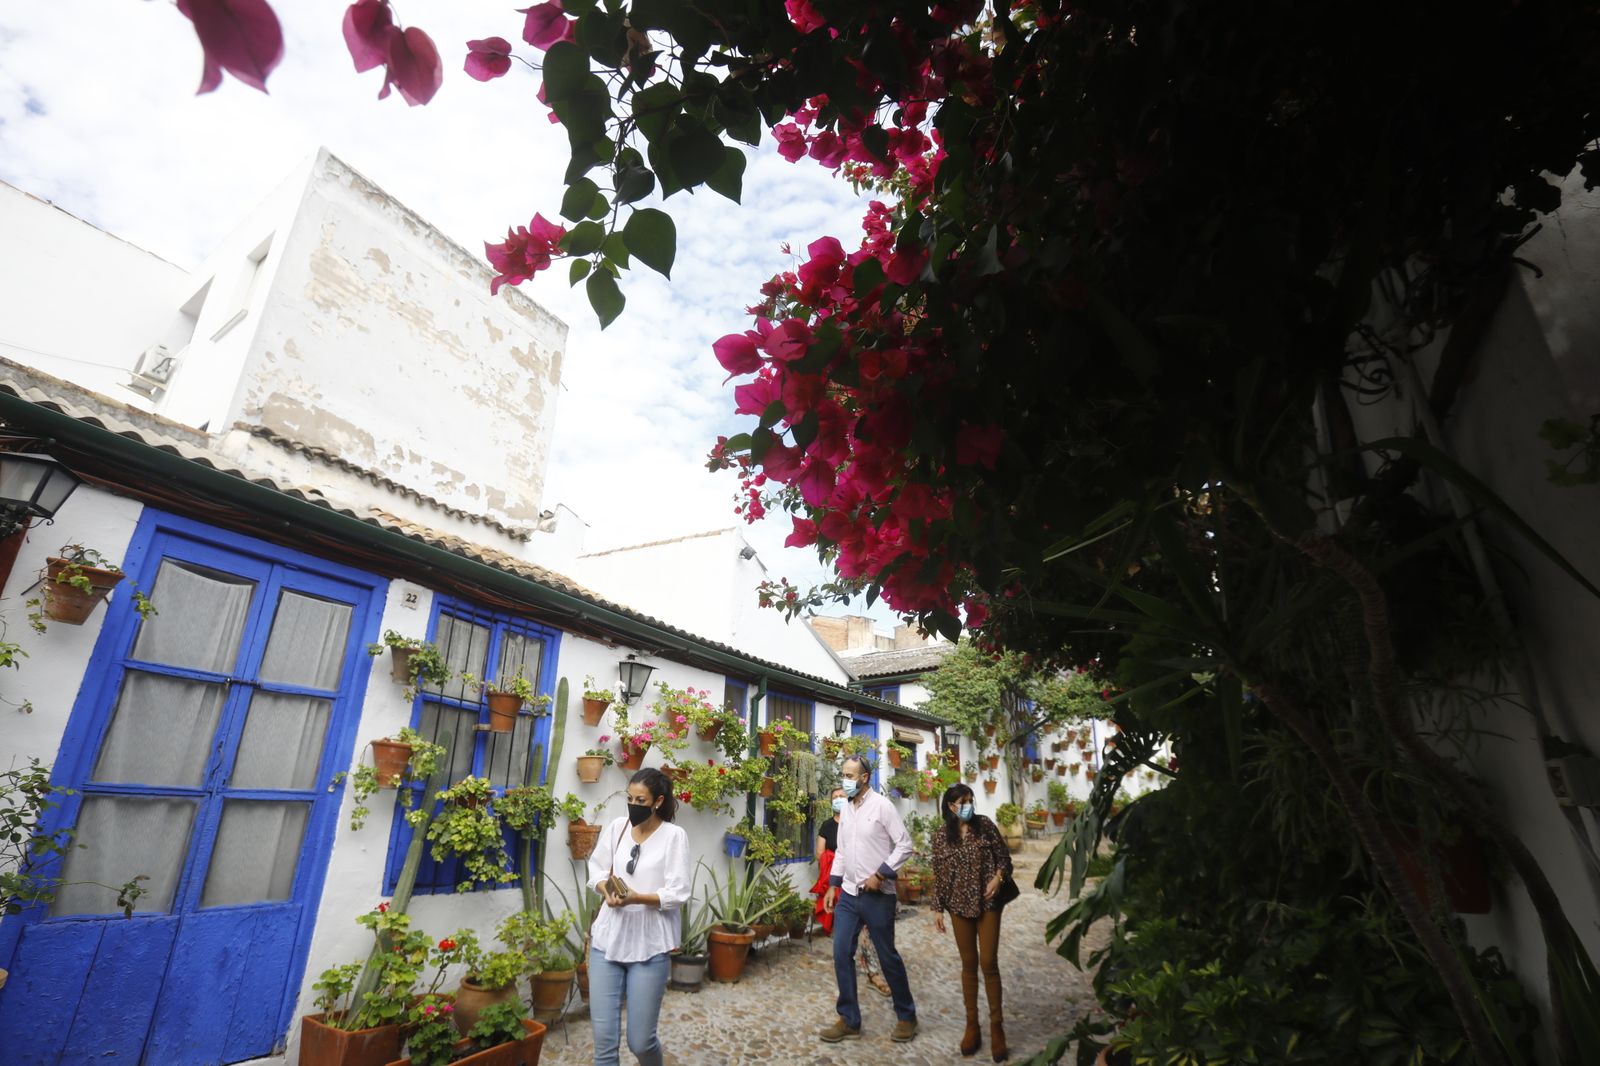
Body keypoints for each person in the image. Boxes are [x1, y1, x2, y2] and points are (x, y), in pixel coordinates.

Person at [586, 768, 690, 1066]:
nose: (633, 804)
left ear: (658, 801)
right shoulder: (617, 827)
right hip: (607, 942)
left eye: (640, 799)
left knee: (641, 1041)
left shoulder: (673, 836)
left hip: (649, 945)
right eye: (629, 798)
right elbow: (596, 868)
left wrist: (637, 898)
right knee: (604, 1046)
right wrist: (607, 889)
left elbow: (678, 892)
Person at [819, 754, 917, 1044]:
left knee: (887, 957)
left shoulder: (882, 807)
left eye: (850, 776)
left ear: (864, 778)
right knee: (840, 953)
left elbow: (905, 845)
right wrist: (831, 887)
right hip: (849, 895)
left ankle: (906, 1016)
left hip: (877, 895)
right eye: (843, 775)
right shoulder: (846, 810)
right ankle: (849, 1019)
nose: (845, 780)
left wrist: (882, 873)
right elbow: (843, 852)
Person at [931, 783, 1014, 1061]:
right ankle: (972, 1025)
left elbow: (1005, 859)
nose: (967, 805)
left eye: (969, 800)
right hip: (957, 904)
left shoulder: (985, 825)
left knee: (988, 961)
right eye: (961, 802)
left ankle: (996, 1026)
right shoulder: (942, 834)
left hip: (988, 902)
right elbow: (939, 872)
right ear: (951, 806)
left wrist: (997, 878)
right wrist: (938, 908)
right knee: (968, 964)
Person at [811, 785, 892, 997]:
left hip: (870, 884)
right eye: (834, 797)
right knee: (844, 937)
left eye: (841, 796)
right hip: (841, 884)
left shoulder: (861, 819)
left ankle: (873, 972)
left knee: (870, 933)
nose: (838, 799)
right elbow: (822, 853)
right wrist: (835, 874)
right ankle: (849, 986)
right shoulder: (828, 826)